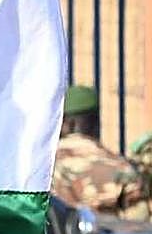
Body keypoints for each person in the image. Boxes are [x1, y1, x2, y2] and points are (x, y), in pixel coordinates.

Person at [54, 85, 149, 220]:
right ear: (95, 122)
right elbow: (139, 228)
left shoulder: (40, 166)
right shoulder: (122, 169)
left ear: (66, 123)